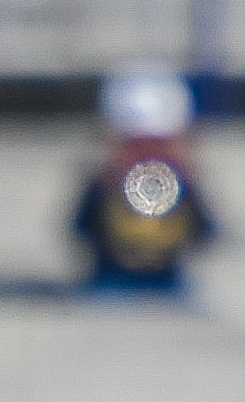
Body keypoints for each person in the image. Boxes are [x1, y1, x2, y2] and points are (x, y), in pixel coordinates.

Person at [70, 67, 221, 291]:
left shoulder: (183, 188)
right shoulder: (104, 186)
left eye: (158, 145)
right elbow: (80, 230)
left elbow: (206, 233)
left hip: (169, 286)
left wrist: (190, 182)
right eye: (137, 146)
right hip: (110, 285)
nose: (147, 156)